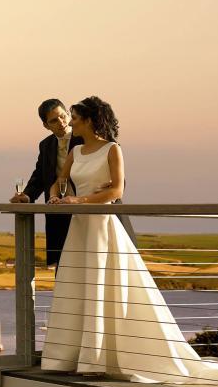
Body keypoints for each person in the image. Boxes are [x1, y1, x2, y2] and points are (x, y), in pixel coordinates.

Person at [40, 96, 218, 384]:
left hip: (102, 225)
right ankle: (73, 355)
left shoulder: (112, 149)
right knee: (78, 286)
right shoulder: (75, 152)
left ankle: (102, 358)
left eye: (75, 118)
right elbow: (58, 180)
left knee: (105, 286)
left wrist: (81, 199)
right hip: (79, 228)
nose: (71, 123)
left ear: (89, 120)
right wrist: (56, 195)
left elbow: (116, 190)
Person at [10, 99, 136, 268]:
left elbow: (115, 178)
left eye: (63, 116)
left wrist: (106, 189)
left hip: (97, 213)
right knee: (66, 271)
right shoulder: (46, 145)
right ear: (46, 125)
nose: (62, 123)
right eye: (54, 120)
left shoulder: (90, 138)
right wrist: (27, 196)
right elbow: (40, 177)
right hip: (61, 216)